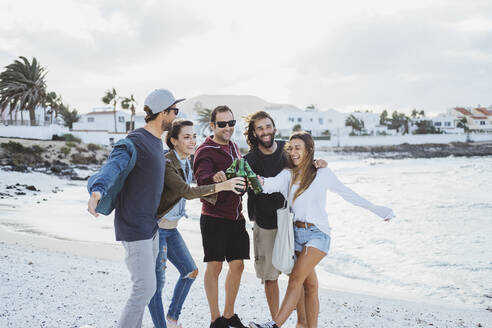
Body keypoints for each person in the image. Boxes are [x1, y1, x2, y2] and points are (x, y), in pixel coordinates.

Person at [249, 131, 395, 328]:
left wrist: (379, 211)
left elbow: (348, 194)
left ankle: (274, 325)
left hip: (318, 235)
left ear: (309, 150)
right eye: (290, 148)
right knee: (310, 286)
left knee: (295, 280)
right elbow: (268, 185)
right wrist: (255, 178)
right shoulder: (287, 175)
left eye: (298, 148)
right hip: (296, 236)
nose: (293, 152)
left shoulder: (322, 173)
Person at [87, 89, 182, 328]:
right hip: (134, 227)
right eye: (174, 111)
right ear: (163, 113)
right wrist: (98, 189)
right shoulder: (135, 141)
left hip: (150, 227)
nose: (176, 116)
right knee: (145, 287)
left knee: (146, 290)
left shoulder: (156, 143)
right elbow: (114, 165)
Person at [148, 119, 245, 328]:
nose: (192, 141)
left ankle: (172, 319)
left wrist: (220, 180)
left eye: (194, 136)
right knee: (156, 285)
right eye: (186, 137)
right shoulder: (166, 163)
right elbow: (187, 191)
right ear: (173, 140)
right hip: (157, 230)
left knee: (190, 272)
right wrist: (222, 186)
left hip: (172, 230)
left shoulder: (187, 160)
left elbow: (202, 181)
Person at [243, 111, 326, 328]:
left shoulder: (286, 149)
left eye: (268, 126)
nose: (265, 131)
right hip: (266, 224)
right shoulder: (249, 159)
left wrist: (317, 163)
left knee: (297, 277)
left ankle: (299, 322)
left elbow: (304, 163)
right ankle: (275, 321)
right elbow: (248, 187)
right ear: (254, 132)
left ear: (274, 128)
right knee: (271, 278)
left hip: (290, 223)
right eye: (260, 128)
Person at [193, 105, 249, 328]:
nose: (228, 128)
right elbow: (201, 181)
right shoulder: (205, 150)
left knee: (238, 266)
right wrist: (215, 178)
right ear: (213, 126)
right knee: (214, 267)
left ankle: (228, 315)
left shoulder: (235, 147)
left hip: (237, 217)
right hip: (214, 218)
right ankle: (215, 318)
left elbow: (241, 178)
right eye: (223, 124)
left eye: (231, 123)